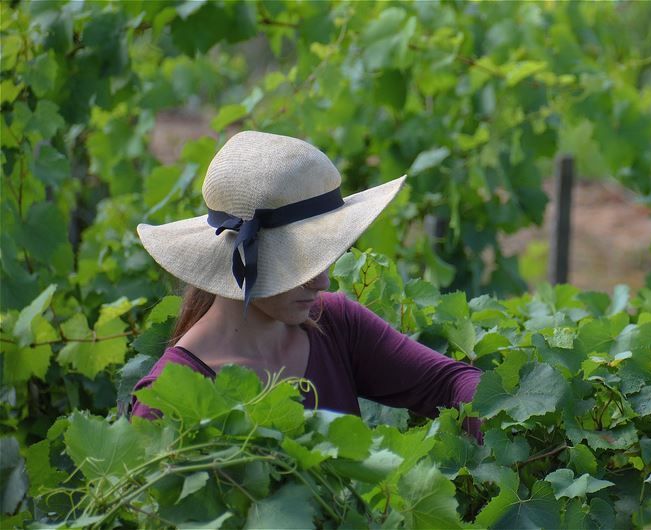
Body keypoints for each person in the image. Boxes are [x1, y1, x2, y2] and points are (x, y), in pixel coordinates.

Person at [129, 131, 481, 436]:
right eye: (297, 262)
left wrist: (504, 412)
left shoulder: (335, 325)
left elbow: (448, 383)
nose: (323, 281)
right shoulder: (165, 400)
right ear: (242, 257)